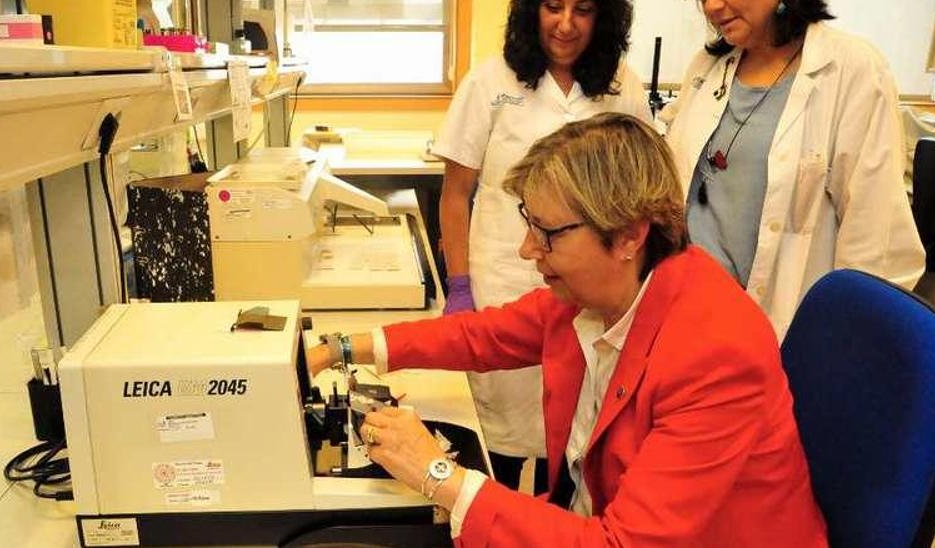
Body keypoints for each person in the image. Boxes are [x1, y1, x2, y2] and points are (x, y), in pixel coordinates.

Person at [307, 114, 828, 546]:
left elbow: (623, 544)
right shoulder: (597, 293)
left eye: (548, 233)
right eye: (528, 223)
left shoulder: (716, 353)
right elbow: (483, 337)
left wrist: (440, 476)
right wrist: (342, 348)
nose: (528, 249)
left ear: (628, 236)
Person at [430, 0, 652, 492]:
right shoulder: (490, 82)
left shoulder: (621, 84)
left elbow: (640, 191)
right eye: (553, 7)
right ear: (532, 11)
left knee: (576, 440)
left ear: (604, 18)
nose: (566, 24)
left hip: (591, 296)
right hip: (505, 279)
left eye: (584, 10)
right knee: (500, 440)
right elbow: (455, 195)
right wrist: (461, 285)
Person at [660, 0, 924, 337]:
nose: (712, 6)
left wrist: (847, 344)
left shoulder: (851, 69)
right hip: (685, 306)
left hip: (777, 321)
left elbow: (875, 234)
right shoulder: (708, 65)